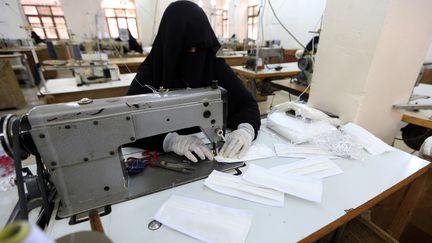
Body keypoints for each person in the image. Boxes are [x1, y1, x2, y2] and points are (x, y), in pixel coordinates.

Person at [127, 1, 260, 162]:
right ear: (170, 46)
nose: (195, 55)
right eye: (187, 49)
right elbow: (128, 124)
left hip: (204, 154)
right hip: (170, 160)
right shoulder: (150, 75)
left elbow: (247, 104)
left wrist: (245, 130)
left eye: (200, 48)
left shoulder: (213, 64)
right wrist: (170, 141)